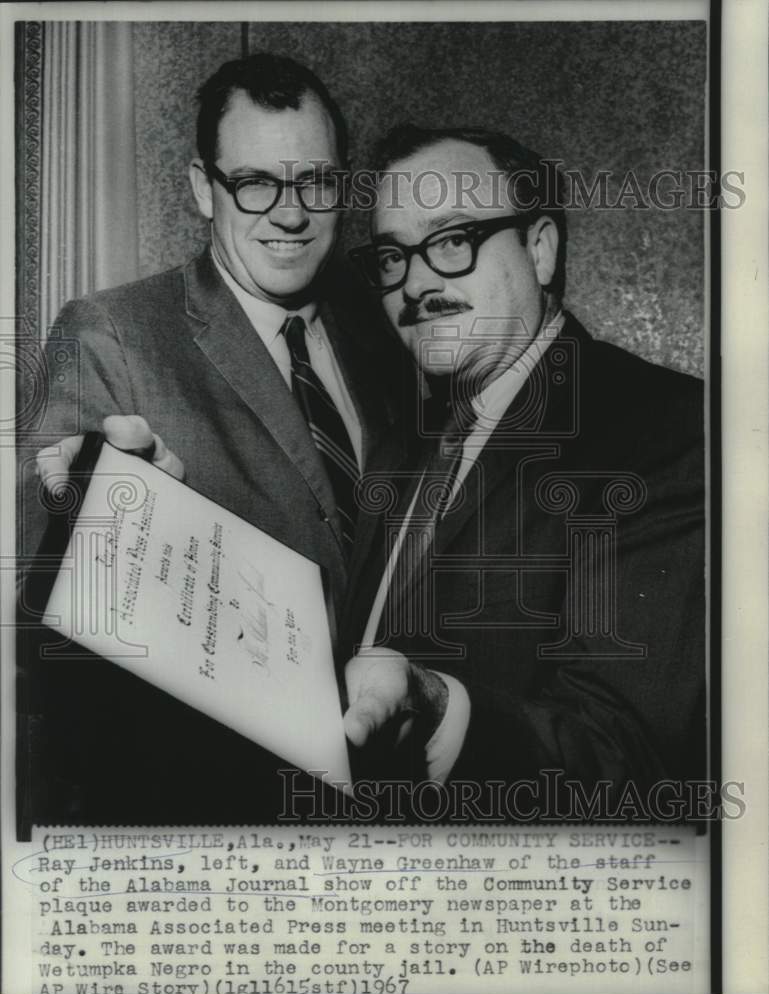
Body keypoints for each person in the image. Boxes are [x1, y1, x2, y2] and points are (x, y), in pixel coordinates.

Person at [18, 53, 400, 826]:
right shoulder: (112, 333)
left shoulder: (382, 335)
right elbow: (40, 571)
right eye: (255, 183)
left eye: (316, 182)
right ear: (203, 188)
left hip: (381, 807)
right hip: (207, 811)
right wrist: (107, 518)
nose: (289, 215)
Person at [338, 124, 705, 816]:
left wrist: (439, 712)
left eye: (452, 241)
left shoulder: (661, 427)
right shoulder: (399, 447)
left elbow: (630, 756)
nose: (416, 283)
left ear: (539, 249)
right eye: (392, 256)